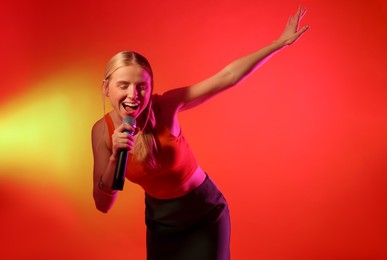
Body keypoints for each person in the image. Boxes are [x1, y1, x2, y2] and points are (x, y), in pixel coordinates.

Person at [92, 6, 309, 260]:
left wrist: (278, 43)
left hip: (203, 213)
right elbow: (103, 205)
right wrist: (115, 158)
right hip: (160, 221)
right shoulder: (102, 133)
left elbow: (227, 76)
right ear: (106, 88)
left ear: (151, 89)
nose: (133, 95)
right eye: (123, 85)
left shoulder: (165, 106)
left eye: (142, 87)